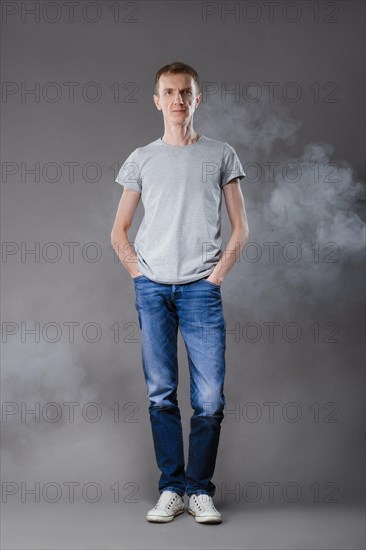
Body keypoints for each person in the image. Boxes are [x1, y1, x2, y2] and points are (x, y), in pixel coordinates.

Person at [111, 62, 249, 524]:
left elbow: (241, 229)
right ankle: (171, 488)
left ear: (197, 98)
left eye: (185, 92)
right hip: (153, 290)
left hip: (200, 291)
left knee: (209, 399)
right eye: (169, 92)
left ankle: (200, 490)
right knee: (161, 394)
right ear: (156, 100)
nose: (177, 100)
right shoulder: (142, 158)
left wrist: (215, 277)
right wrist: (139, 275)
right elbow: (119, 231)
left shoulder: (221, 154)